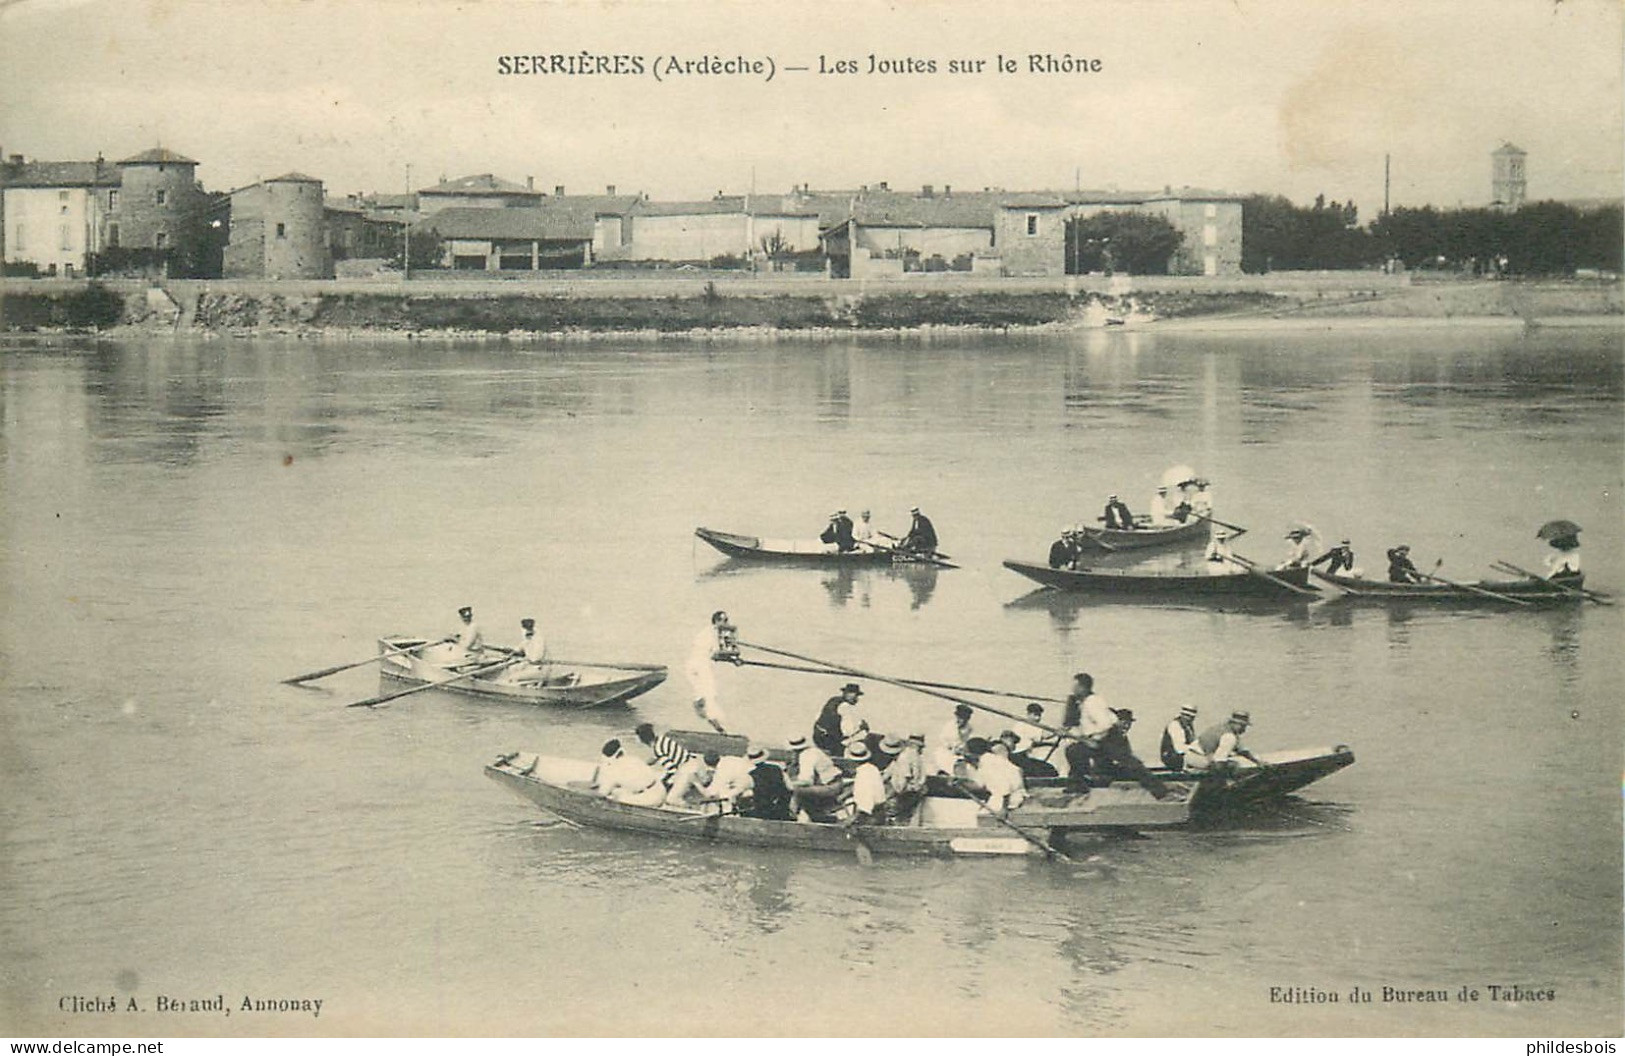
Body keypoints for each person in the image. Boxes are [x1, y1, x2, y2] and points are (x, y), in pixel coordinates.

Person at [1091, 709, 1175, 799]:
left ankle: (1162, 790)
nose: (1127, 726)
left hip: (1113, 767)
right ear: (1116, 722)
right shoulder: (1111, 735)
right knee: (1138, 769)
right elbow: (1120, 756)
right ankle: (1161, 793)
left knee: (1139, 768)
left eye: (1129, 723)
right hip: (1105, 770)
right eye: (1124, 722)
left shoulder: (1121, 736)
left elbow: (1126, 755)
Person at [1061, 672, 1118, 791]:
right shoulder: (1085, 702)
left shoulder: (1092, 702)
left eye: (1075, 687)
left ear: (1082, 688)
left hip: (1103, 741)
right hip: (1098, 739)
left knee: (1073, 751)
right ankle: (1081, 780)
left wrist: (1090, 737)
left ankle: (1081, 783)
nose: (1073, 690)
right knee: (1074, 748)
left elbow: (1106, 724)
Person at [686, 610, 736, 733]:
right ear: (717, 621)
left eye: (727, 620)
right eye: (724, 620)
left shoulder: (709, 631)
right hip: (700, 666)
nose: (726, 623)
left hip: (694, 666)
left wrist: (732, 658)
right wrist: (733, 659)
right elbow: (717, 654)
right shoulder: (713, 634)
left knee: (706, 696)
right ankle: (720, 728)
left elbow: (715, 653)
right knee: (710, 696)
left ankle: (717, 726)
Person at [592, 739, 666, 806]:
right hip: (660, 791)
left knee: (616, 798)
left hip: (650, 799)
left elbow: (602, 793)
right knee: (621, 791)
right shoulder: (634, 759)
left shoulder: (614, 769)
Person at [786, 734, 843, 821]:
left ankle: (793, 817)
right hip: (835, 783)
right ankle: (813, 816)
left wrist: (788, 783)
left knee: (797, 791)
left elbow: (807, 781)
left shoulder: (806, 756)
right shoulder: (814, 751)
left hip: (830, 787)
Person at [1187, 710, 1262, 773]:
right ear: (1235, 724)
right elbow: (1219, 761)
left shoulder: (1221, 728)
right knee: (1234, 765)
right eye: (1243, 726)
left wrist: (1257, 762)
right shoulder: (1229, 736)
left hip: (1191, 756)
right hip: (1200, 758)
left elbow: (1242, 750)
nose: (1244, 730)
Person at [740, 746, 794, 821]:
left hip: (762, 812)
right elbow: (790, 788)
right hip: (782, 811)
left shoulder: (752, 774)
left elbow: (747, 792)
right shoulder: (777, 768)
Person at [634, 722, 695, 787]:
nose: (635, 740)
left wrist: (662, 782)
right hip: (692, 763)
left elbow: (672, 770)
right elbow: (660, 755)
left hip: (687, 771)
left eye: (637, 737)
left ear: (643, 738)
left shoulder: (658, 750)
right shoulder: (661, 739)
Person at [812, 682, 863, 758]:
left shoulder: (833, 700)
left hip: (818, 735)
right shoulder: (846, 706)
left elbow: (818, 716)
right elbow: (847, 731)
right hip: (830, 741)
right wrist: (860, 728)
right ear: (846, 694)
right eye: (855, 695)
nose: (856, 698)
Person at [976, 738, 1028, 812]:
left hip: (1008, 800)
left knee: (978, 816)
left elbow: (1004, 788)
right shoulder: (997, 761)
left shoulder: (988, 762)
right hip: (1016, 795)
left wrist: (1003, 810)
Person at [846, 742, 889, 824]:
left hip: (870, 817)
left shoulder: (863, 775)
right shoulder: (872, 768)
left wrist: (852, 819)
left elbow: (866, 804)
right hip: (878, 813)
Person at [931, 703, 975, 775]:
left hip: (960, 752)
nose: (961, 721)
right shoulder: (950, 726)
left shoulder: (969, 728)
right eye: (959, 718)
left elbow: (967, 741)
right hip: (947, 751)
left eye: (963, 719)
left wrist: (962, 748)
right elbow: (944, 740)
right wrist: (952, 747)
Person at [1161, 705, 1199, 770]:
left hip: (1182, 756)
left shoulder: (1188, 726)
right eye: (1189, 717)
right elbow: (1179, 748)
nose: (1191, 720)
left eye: (1192, 717)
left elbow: (1193, 742)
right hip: (1172, 757)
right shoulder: (1175, 725)